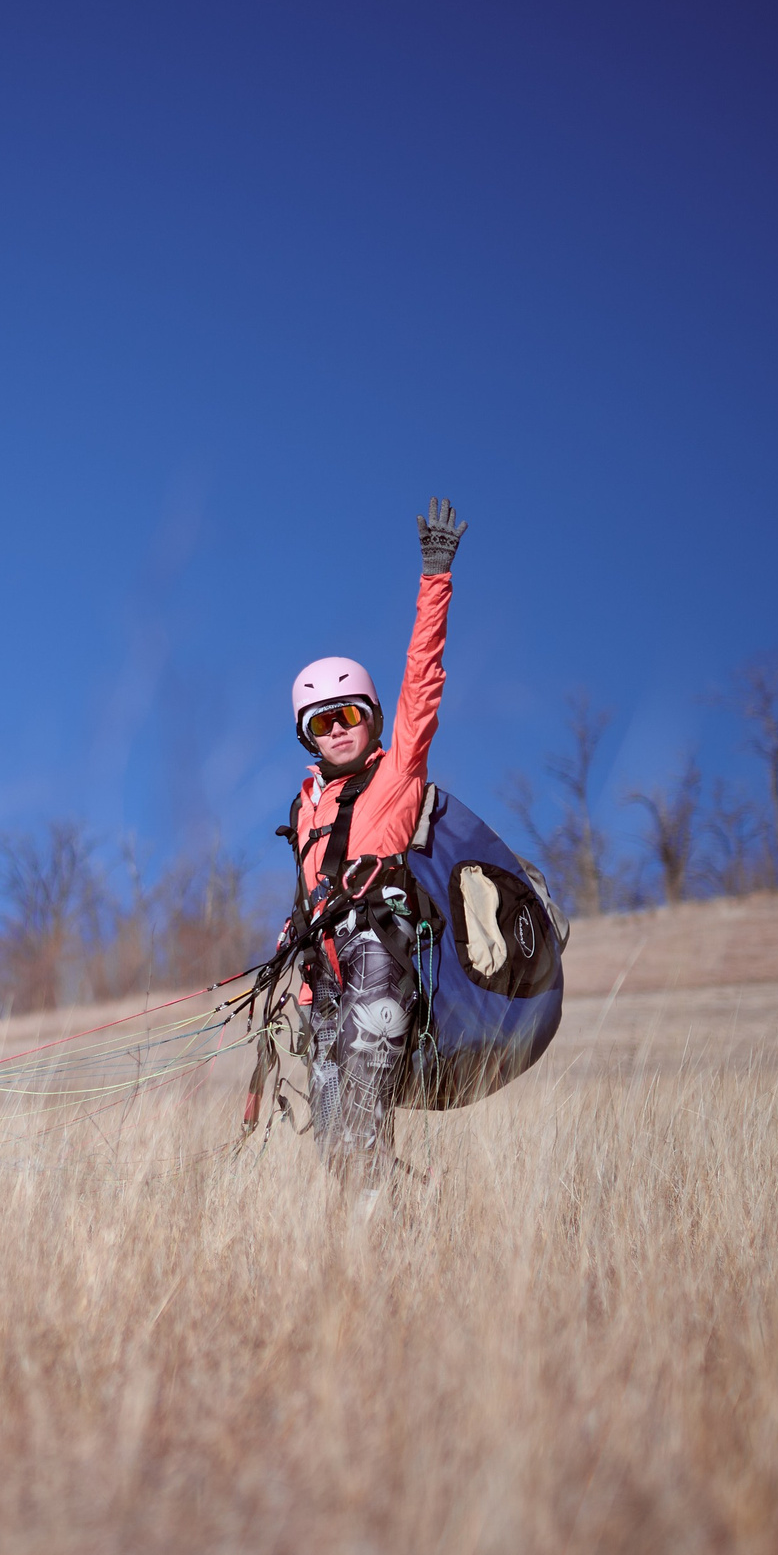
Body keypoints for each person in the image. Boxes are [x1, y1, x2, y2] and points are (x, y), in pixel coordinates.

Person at [280, 498, 466, 1180]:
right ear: (308, 737)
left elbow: (422, 684)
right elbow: (309, 900)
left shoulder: (396, 773)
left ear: (374, 718)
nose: (337, 730)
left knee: (360, 1115)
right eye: (320, 723)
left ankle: (391, 1221)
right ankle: (410, 1221)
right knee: (336, 1144)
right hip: (322, 977)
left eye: (349, 714)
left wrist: (434, 578)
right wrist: (299, 978)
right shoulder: (306, 807)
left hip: (378, 954)